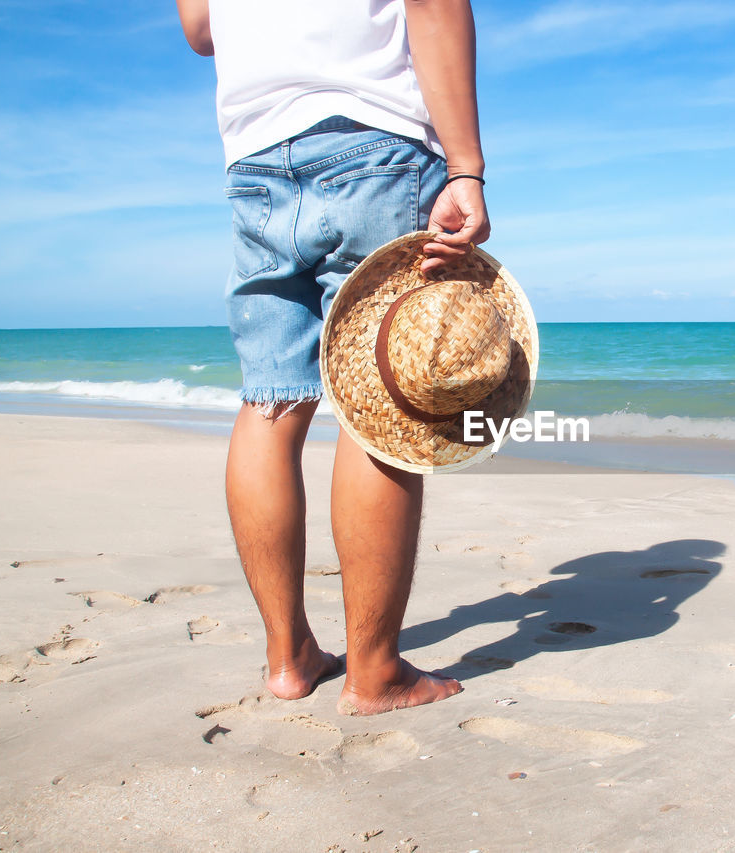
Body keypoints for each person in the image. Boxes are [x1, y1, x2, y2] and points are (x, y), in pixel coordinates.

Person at [175, 0, 489, 715]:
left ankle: (287, 658)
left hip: (256, 159)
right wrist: (466, 167)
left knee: (269, 401)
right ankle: (374, 671)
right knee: (378, 402)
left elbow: (200, 30)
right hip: (369, 140)